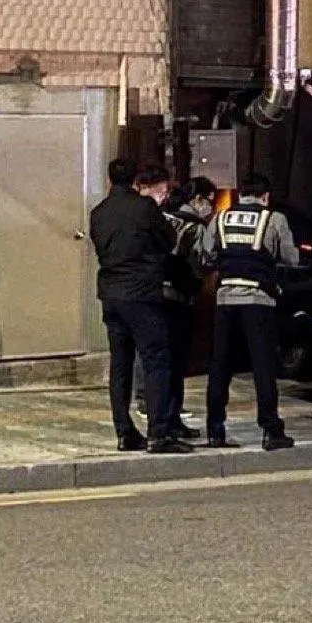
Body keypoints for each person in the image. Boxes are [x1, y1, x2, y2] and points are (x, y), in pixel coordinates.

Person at [89, 157, 193, 455]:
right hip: (142, 294)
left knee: (120, 365)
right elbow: (168, 240)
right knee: (155, 359)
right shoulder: (145, 207)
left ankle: (124, 432)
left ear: (110, 179)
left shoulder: (99, 212)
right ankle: (158, 433)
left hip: (111, 294)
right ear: (135, 181)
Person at [202, 172, 298, 451]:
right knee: (263, 366)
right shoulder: (274, 219)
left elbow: (206, 255)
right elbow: (291, 258)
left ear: (241, 194)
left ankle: (215, 430)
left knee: (220, 366)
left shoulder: (220, 218)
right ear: (265, 196)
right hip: (259, 300)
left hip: (225, 301)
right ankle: (271, 430)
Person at [133, 170, 217, 439]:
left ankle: (163, 412)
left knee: (158, 355)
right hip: (178, 296)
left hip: (154, 292)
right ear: (199, 200)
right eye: (210, 201)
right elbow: (201, 262)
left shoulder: (163, 217)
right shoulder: (195, 227)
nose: (211, 207)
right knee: (175, 359)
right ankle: (168, 418)